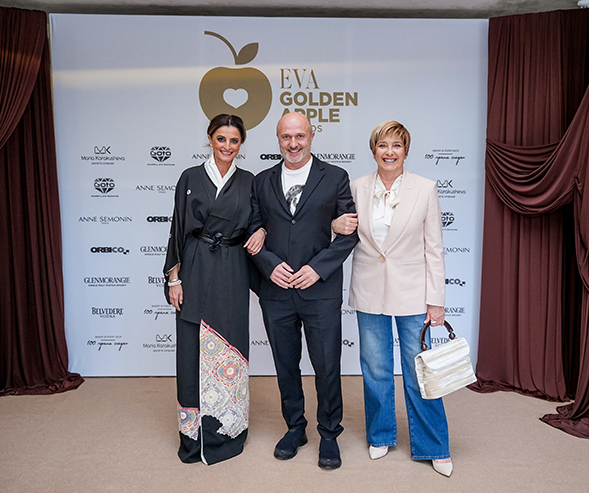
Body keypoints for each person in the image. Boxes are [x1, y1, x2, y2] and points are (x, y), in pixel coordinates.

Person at [335, 120, 453, 476]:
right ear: (374, 150)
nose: (389, 152)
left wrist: (436, 300)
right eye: (383, 145)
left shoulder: (425, 188)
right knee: (375, 369)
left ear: (406, 151)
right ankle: (381, 434)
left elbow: (434, 248)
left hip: (414, 293)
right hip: (369, 288)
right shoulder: (356, 187)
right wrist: (334, 225)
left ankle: (434, 445)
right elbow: (341, 228)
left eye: (396, 146)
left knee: (420, 371)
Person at [249, 112, 358, 469]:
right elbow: (252, 230)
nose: (293, 144)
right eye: (286, 137)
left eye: (300, 136)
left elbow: (350, 233)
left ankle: (329, 433)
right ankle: (295, 427)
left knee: (326, 366)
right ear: (278, 139)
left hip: (319, 290)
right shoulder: (261, 181)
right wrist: (268, 264)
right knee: (285, 365)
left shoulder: (336, 177)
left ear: (312, 136)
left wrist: (317, 269)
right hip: (276, 290)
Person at [163, 114, 265, 465]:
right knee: (191, 348)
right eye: (221, 139)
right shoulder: (190, 177)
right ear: (210, 139)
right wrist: (173, 279)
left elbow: (259, 222)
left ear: (241, 144)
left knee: (230, 345)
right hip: (194, 265)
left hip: (232, 269)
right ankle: (192, 436)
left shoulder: (249, 181)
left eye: (234, 140)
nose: (227, 146)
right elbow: (177, 228)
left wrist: (261, 231)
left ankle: (226, 428)